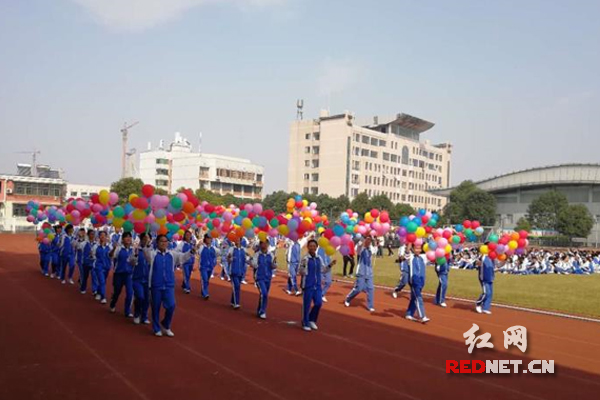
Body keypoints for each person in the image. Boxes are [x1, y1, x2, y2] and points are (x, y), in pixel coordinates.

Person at [142, 234, 194, 337]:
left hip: (169, 285)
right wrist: (146, 245)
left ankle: (166, 324)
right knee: (155, 307)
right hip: (156, 285)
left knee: (171, 305)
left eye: (165, 241)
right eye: (161, 241)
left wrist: (191, 252)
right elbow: (147, 255)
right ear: (157, 243)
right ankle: (156, 328)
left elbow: (182, 258)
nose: (164, 243)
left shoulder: (172, 254)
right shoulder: (153, 254)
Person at [298, 239, 330, 331]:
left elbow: (323, 270)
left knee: (318, 303)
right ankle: (305, 321)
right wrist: (303, 269)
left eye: (314, 246)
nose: (312, 247)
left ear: (316, 247)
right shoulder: (305, 258)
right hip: (308, 285)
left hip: (317, 285)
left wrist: (330, 265)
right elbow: (300, 271)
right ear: (308, 247)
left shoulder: (319, 258)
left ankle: (312, 319)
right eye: (310, 246)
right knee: (307, 305)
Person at [344, 236, 376, 312]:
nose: (368, 242)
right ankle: (348, 298)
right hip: (361, 271)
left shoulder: (371, 248)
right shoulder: (360, 248)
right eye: (367, 240)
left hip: (369, 272)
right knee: (359, 288)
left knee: (371, 289)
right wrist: (364, 238)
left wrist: (374, 240)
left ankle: (370, 306)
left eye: (369, 241)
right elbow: (359, 246)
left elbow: (374, 250)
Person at [109, 232, 135, 317]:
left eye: (129, 237)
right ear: (122, 239)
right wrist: (113, 248)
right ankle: (113, 303)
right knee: (117, 292)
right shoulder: (119, 249)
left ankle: (127, 311)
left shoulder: (133, 249)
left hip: (129, 274)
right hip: (119, 274)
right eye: (126, 237)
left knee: (130, 293)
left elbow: (135, 262)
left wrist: (134, 260)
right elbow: (111, 256)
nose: (128, 239)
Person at [251, 239, 277, 319]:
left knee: (263, 294)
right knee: (264, 293)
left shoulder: (271, 255)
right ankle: (262, 311)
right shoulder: (257, 255)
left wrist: (274, 264)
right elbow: (254, 264)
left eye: (266, 244)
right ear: (260, 245)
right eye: (263, 244)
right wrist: (254, 263)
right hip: (259, 277)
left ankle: (259, 310)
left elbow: (274, 266)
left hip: (268, 278)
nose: (264, 245)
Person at [405, 244, 430, 323]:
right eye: (416, 248)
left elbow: (431, 253)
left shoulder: (423, 257)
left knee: (414, 297)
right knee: (418, 297)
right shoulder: (411, 257)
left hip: (421, 281)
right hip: (414, 280)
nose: (418, 250)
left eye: (419, 249)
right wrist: (409, 242)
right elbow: (407, 252)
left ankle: (409, 314)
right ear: (413, 249)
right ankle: (422, 316)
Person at [132, 233, 151, 325]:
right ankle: (136, 314)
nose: (145, 240)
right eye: (144, 239)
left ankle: (144, 316)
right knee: (140, 296)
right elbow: (131, 262)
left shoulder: (152, 251)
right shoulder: (136, 250)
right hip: (137, 278)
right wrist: (135, 256)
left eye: (147, 239)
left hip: (147, 279)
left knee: (147, 299)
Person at [227, 237, 248, 309]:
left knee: (236, 286)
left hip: (240, 272)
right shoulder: (232, 249)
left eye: (239, 240)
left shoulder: (244, 250)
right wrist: (230, 259)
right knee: (237, 286)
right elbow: (228, 259)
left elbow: (246, 259)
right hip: (233, 271)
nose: (237, 241)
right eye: (236, 239)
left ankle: (232, 301)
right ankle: (237, 303)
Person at [94, 231, 112, 304]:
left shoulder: (109, 246)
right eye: (101, 235)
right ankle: (103, 296)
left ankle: (98, 292)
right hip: (99, 266)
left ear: (106, 236)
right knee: (102, 281)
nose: (102, 237)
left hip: (107, 266)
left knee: (103, 280)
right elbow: (93, 254)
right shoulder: (96, 246)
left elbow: (111, 256)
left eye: (104, 235)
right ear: (99, 237)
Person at [476, 248, 495, 315]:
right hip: (483, 278)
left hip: (490, 277)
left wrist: (505, 260)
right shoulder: (483, 256)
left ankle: (485, 308)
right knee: (486, 292)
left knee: (490, 293)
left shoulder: (493, 257)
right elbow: (477, 263)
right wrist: (479, 263)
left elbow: (497, 266)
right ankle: (478, 303)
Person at [198, 235, 218, 299]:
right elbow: (198, 252)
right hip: (203, 267)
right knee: (205, 279)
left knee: (207, 280)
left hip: (210, 267)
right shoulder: (202, 247)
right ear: (205, 239)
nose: (209, 239)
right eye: (207, 238)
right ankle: (205, 293)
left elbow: (218, 253)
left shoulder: (213, 248)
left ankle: (203, 290)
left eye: (210, 238)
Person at [79, 229, 96, 294]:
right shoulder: (84, 243)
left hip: (93, 263)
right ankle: (83, 288)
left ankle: (94, 290)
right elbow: (78, 247)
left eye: (94, 234)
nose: (93, 235)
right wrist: (81, 238)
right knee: (85, 276)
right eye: (91, 234)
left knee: (94, 276)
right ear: (88, 235)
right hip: (85, 262)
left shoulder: (96, 243)